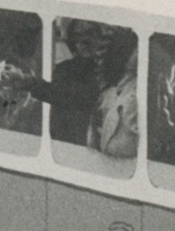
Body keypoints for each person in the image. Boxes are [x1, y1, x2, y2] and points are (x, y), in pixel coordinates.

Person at [18, 19, 134, 151]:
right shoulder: (64, 70)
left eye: (90, 34)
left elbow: (89, 96)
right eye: (78, 36)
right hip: (69, 145)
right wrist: (32, 85)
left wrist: (33, 85)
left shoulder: (110, 71)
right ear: (72, 42)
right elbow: (63, 95)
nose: (85, 41)